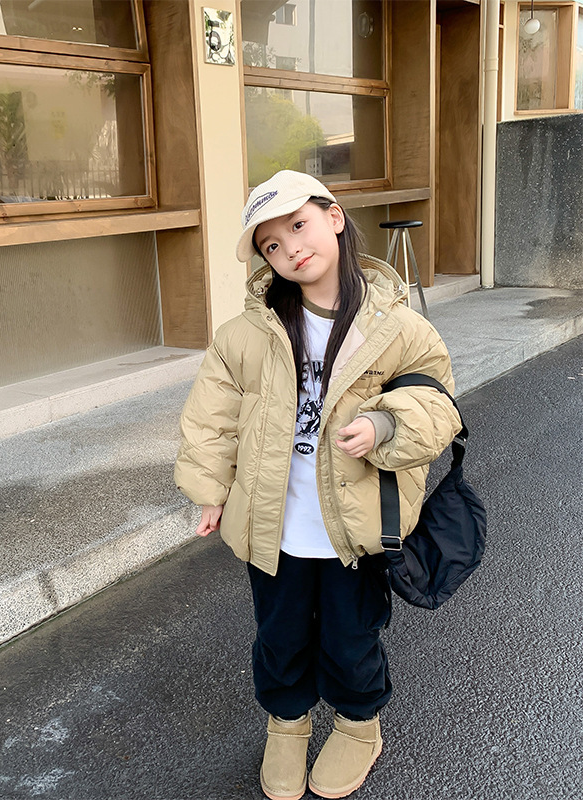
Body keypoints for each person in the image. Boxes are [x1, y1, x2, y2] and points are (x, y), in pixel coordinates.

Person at [174, 170, 462, 800]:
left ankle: (359, 724)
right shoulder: (245, 335)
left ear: (334, 217)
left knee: (350, 637)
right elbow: (212, 419)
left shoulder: (395, 326)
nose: (291, 248)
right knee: (279, 635)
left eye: (298, 225)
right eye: (272, 245)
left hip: (354, 528)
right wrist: (210, 489)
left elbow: (438, 402)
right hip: (274, 525)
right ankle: (288, 723)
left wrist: (386, 423)